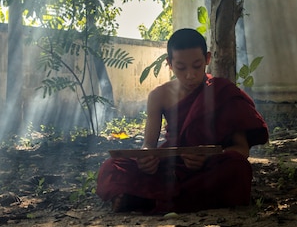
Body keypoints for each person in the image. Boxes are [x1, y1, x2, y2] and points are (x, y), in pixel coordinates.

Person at [96, 28, 269, 214]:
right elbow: (148, 145)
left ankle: (145, 199)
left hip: (209, 167)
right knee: (111, 167)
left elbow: (241, 149)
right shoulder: (159, 96)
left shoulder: (223, 92)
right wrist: (146, 159)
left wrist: (208, 157)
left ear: (207, 59)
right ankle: (174, 200)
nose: (190, 75)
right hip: (170, 167)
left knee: (237, 166)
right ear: (169, 63)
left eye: (197, 66)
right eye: (181, 67)